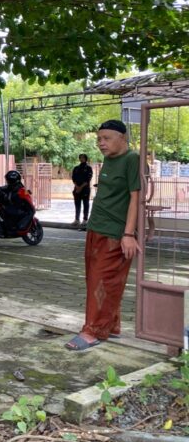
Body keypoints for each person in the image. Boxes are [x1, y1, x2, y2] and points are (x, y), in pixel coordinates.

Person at [66, 120, 140, 351]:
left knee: (103, 280)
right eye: (99, 139)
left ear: (122, 138)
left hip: (115, 233)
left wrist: (128, 233)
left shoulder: (132, 159)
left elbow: (135, 198)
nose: (101, 143)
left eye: (106, 138)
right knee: (95, 280)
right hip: (96, 228)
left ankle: (93, 331)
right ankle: (112, 325)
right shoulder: (109, 159)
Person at [71, 154, 93, 226]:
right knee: (77, 205)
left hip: (85, 189)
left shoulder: (88, 168)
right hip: (77, 189)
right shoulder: (76, 168)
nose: (81, 159)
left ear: (86, 159)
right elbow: (73, 178)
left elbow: (88, 179)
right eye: (80, 158)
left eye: (83, 158)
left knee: (85, 204)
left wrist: (81, 187)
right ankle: (77, 219)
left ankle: (85, 219)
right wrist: (77, 187)